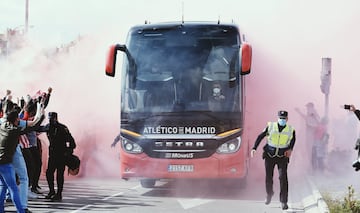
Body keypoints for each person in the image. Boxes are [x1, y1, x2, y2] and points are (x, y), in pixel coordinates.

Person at [0, 102, 44, 213]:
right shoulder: (15, 130)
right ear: (15, 120)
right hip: (6, 161)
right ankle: (22, 209)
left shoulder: (2, 124)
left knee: (3, 185)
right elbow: (35, 124)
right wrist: (40, 110)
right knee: (16, 185)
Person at [250, 110, 296, 210]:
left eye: (284, 119)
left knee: (283, 177)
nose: (282, 120)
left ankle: (284, 201)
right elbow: (260, 136)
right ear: (277, 118)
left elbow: (292, 141)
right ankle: (269, 194)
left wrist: (290, 150)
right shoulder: (270, 126)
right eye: (280, 118)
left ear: (287, 119)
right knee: (268, 177)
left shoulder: (291, 130)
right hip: (269, 155)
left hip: (282, 156)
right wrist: (254, 148)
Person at [37, 112, 76, 201]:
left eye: (52, 118)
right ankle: (51, 191)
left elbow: (72, 142)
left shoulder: (62, 128)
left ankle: (59, 194)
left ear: (56, 118)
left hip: (62, 155)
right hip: (53, 155)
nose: (51, 120)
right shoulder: (48, 127)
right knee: (49, 173)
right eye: (49, 118)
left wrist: (68, 152)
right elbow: (38, 129)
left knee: (59, 175)